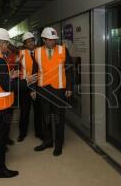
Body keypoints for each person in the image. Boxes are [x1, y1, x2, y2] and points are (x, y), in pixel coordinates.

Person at [0, 28, 37, 178]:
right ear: (2, 43)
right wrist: (27, 81)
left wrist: (8, 75)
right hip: (0, 106)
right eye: (7, 44)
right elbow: (8, 86)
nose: (8, 47)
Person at [31, 27, 74, 156]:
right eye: (49, 40)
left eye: (54, 40)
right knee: (45, 117)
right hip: (43, 88)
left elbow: (69, 70)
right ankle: (48, 141)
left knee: (59, 118)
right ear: (44, 40)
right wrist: (33, 88)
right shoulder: (36, 52)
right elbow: (34, 71)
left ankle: (59, 144)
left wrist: (69, 87)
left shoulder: (63, 50)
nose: (53, 42)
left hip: (59, 88)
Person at [17, 32, 42, 142]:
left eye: (32, 40)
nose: (31, 43)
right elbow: (16, 68)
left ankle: (39, 132)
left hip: (38, 85)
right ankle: (22, 133)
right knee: (24, 111)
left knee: (38, 110)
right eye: (28, 42)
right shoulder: (20, 53)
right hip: (25, 86)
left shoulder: (40, 52)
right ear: (25, 44)